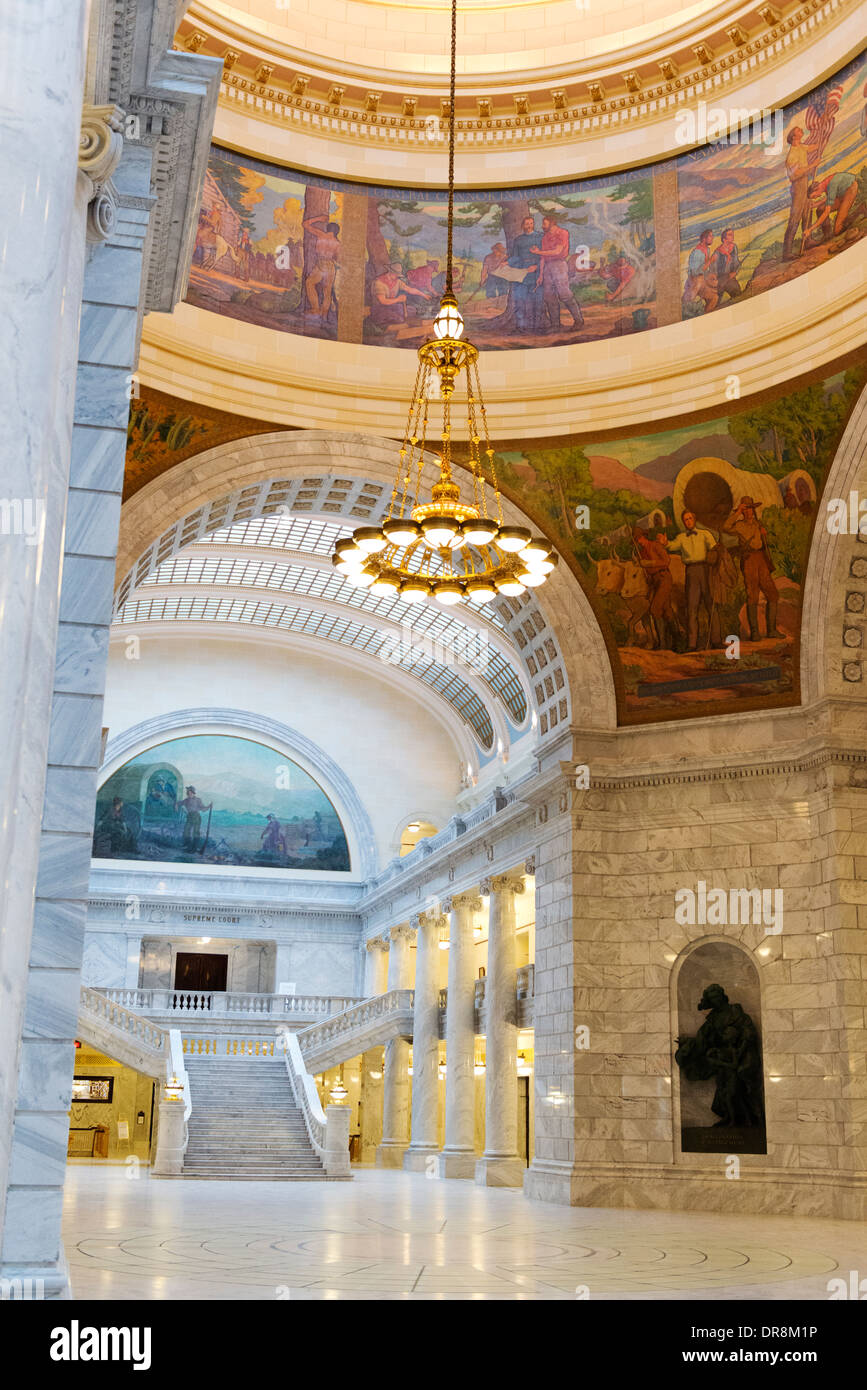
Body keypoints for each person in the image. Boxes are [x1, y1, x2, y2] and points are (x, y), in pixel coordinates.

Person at [721, 495, 783, 641]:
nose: (749, 511)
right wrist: (737, 512)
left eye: (751, 508)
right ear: (743, 511)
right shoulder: (739, 525)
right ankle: (754, 632)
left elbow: (766, 542)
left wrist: (764, 533)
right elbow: (725, 527)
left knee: (773, 594)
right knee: (752, 595)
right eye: (746, 509)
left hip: (761, 559)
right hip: (749, 560)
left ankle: (772, 630)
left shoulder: (758, 524)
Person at [666, 510, 722, 650]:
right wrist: (664, 542)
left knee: (711, 606)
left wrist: (716, 554)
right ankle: (692, 644)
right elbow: (671, 546)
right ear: (684, 522)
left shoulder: (705, 534)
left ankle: (716, 641)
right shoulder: (681, 537)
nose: (688, 521)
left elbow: (715, 549)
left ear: (694, 519)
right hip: (691, 572)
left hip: (705, 570)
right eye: (686, 519)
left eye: (690, 518)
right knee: (692, 608)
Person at [530, 214, 584, 330]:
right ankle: (555, 325)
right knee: (549, 296)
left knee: (564, 293)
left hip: (559, 265)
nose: (542, 226)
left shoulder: (562, 233)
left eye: (544, 224)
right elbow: (543, 258)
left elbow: (557, 251)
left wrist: (538, 252)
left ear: (552, 223)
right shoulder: (545, 237)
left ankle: (578, 321)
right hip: (547, 267)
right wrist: (541, 275)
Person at [632, 527, 682, 650]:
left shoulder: (655, 545)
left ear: (644, 537)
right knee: (667, 611)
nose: (639, 542)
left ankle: (663, 644)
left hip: (664, 578)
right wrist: (643, 568)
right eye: (636, 540)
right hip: (654, 582)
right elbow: (647, 572)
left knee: (655, 609)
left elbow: (666, 561)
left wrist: (650, 563)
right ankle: (678, 642)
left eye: (639, 539)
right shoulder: (642, 553)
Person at [782, 126, 822, 260]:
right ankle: (786, 253)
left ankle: (808, 240)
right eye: (798, 130)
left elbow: (812, 148)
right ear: (794, 136)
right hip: (798, 186)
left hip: (804, 183)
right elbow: (794, 175)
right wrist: (812, 165)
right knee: (795, 218)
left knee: (807, 212)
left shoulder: (801, 147)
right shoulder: (792, 155)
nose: (801, 130)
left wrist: (822, 133)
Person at [807, 170, 864, 242]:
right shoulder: (824, 184)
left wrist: (810, 229)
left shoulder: (830, 185)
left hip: (850, 189)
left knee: (837, 230)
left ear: (816, 189)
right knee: (820, 209)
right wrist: (816, 204)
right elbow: (830, 197)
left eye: (814, 196)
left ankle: (860, 210)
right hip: (841, 194)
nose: (816, 198)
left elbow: (826, 212)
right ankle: (827, 235)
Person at [302, 214, 340, 320]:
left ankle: (315, 309)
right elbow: (337, 258)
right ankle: (324, 314)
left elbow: (305, 224)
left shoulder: (321, 235)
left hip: (320, 263)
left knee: (309, 283)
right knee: (327, 291)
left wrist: (318, 218)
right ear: (337, 232)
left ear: (328, 229)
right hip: (330, 265)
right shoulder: (338, 243)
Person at [369, 263, 430, 328]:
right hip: (379, 309)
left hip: (391, 307)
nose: (397, 276)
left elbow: (409, 289)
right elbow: (383, 301)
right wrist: (398, 299)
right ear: (390, 272)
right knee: (399, 319)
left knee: (412, 310)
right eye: (396, 274)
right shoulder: (379, 282)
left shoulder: (397, 281)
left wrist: (424, 295)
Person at [682, 228, 717, 314]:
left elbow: (705, 269)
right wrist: (710, 260)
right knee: (686, 304)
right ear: (704, 239)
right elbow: (695, 272)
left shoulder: (707, 249)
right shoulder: (697, 252)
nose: (712, 238)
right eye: (710, 236)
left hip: (702, 281)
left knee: (714, 298)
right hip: (695, 282)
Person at [708, 228, 742, 302]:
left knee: (738, 296)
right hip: (719, 280)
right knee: (716, 301)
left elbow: (736, 262)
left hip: (730, 277)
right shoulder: (718, 252)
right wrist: (716, 280)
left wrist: (735, 272)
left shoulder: (734, 247)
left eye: (732, 234)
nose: (732, 236)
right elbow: (712, 268)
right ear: (724, 239)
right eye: (730, 234)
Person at [179, 785, 211, 851]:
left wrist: (208, 806)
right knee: (186, 831)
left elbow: (203, 809)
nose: (188, 793)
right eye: (188, 792)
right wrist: (176, 805)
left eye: (189, 791)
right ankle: (188, 846)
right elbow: (180, 803)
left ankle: (194, 848)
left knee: (195, 832)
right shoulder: (186, 800)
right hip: (189, 816)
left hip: (196, 817)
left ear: (193, 792)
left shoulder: (198, 800)